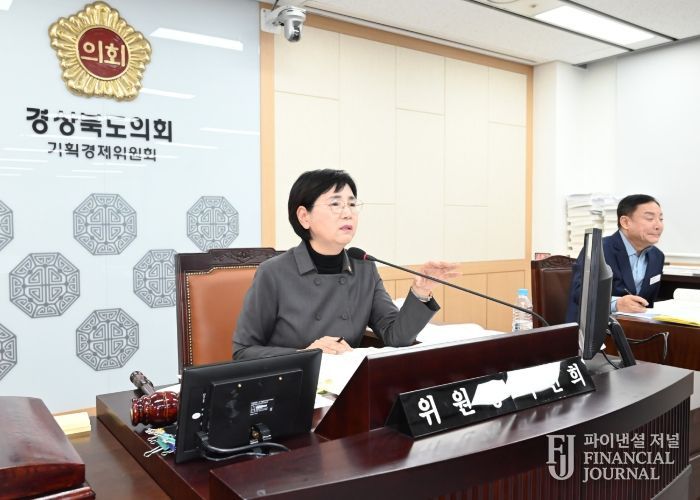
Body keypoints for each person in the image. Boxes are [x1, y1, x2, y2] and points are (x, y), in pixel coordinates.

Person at [233, 169, 458, 360]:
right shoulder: (274, 272)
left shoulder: (364, 268)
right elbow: (243, 351)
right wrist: (305, 354)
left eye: (351, 204)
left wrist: (421, 291)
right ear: (304, 216)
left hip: (347, 383)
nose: (348, 213)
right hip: (294, 383)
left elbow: (395, 336)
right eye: (335, 204)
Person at [566, 194, 665, 322]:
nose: (658, 226)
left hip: (637, 327)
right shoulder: (599, 249)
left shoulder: (657, 256)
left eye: (661, 219)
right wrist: (616, 304)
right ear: (625, 222)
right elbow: (580, 293)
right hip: (596, 326)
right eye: (650, 218)